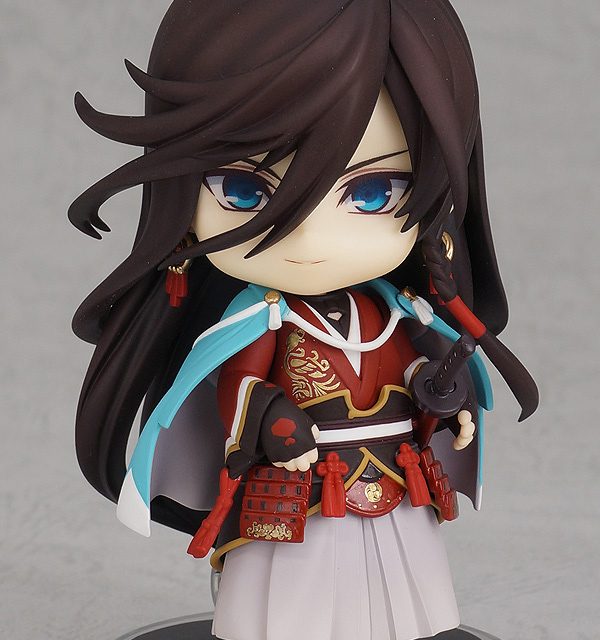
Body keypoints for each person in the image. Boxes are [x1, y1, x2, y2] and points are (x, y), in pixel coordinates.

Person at [69, 2, 538, 640]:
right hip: (298, 481)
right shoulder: (261, 318)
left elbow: (417, 367)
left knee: (400, 586)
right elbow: (238, 386)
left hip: (390, 474)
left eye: (371, 194)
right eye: (243, 191)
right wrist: (273, 421)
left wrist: (444, 395)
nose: (308, 238)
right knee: (288, 598)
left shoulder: (402, 311)